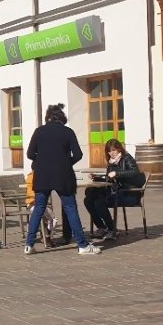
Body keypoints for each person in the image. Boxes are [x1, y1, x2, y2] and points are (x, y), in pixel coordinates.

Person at [24, 104, 101, 256]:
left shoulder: (39, 131)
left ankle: (29, 245)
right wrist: (66, 162)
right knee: (70, 208)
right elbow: (78, 154)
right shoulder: (67, 132)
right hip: (63, 175)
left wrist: (43, 161)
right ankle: (82, 245)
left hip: (42, 175)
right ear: (62, 118)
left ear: (48, 118)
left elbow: (30, 154)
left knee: (39, 208)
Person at [84, 139, 145, 241]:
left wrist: (118, 173)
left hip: (129, 193)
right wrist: (97, 178)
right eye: (109, 151)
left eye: (113, 150)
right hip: (116, 192)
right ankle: (102, 227)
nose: (111, 153)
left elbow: (135, 172)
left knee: (99, 202)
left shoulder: (127, 158)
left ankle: (112, 229)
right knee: (88, 199)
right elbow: (109, 179)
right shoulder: (111, 162)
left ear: (119, 149)